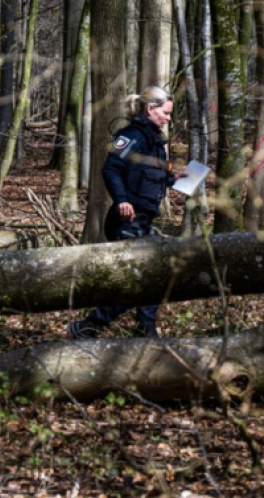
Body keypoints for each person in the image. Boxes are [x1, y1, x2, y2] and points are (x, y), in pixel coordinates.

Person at [67, 86, 181, 339]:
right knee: (145, 279)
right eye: (165, 112)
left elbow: (159, 176)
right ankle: (91, 326)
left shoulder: (155, 143)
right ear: (150, 109)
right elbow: (111, 168)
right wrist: (122, 200)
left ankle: (141, 331)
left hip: (144, 220)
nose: (168, 118)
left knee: (150, 278)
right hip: (126, 221)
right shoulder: (130, 136)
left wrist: (177, 177)